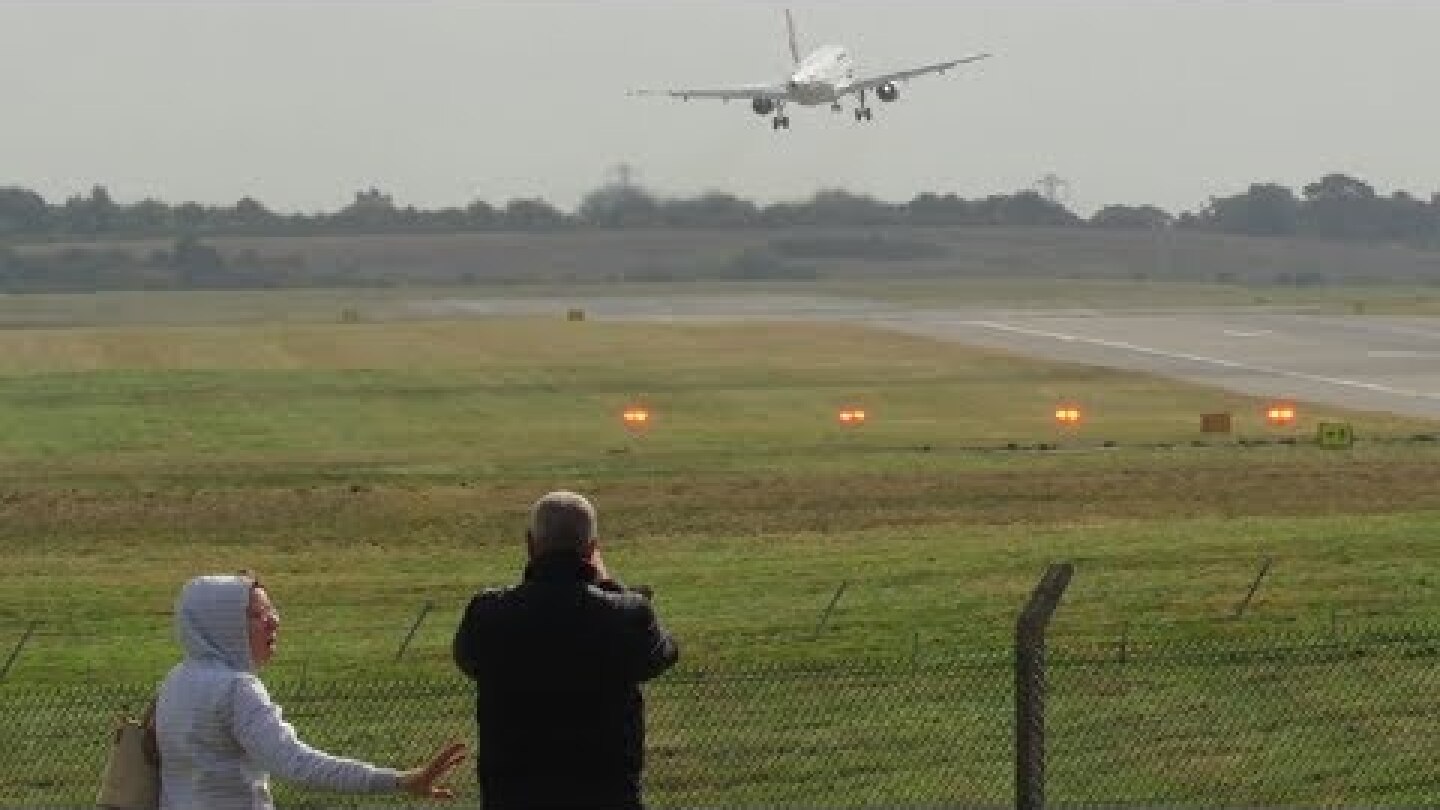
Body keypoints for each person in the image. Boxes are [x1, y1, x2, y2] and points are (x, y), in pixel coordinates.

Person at [155, 571, 467, 809]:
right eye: (255, 615)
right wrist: (398, 780)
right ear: (220, 624)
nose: (274, 621)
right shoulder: (236, 688)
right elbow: (297, 765)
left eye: (271, 610)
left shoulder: (175, 682)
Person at [453, 490, 679, 810]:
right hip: (607, 798)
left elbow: (466, 660)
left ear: (531, 545)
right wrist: (611, 586)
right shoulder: (626, 614)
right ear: (591, 550)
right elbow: (663, 655)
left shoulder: (489, 613)